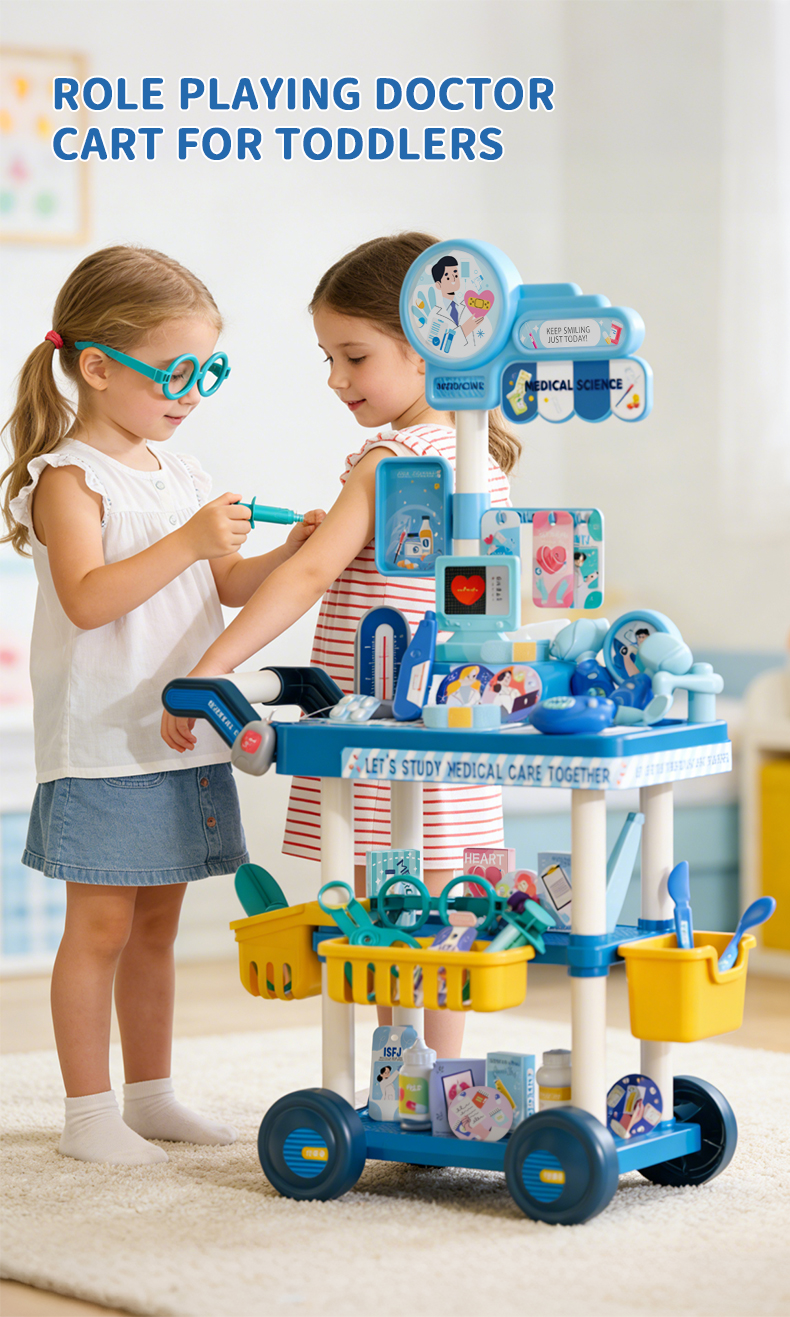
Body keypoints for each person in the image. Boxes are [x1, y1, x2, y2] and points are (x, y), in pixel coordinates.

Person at [1, 246, 323, 1165]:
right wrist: (187, 540)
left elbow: (225, 584)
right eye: (177, 372)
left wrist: (283, 549)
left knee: (157, 929)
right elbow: (89, 598)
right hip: (104, 744)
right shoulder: (69, 478)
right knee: (98, 928)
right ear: (97, 367)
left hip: (182, 737)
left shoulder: (181, 472)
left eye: (207, 372)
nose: (193, 392)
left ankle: (150, 1094)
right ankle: (87, 1113)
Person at [165, 232, 522, 1057]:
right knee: (450, 909)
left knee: (382, 915)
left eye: (353, 357)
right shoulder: (480, 459)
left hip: (380, 726)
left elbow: (310, 574)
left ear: (428, 344)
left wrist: (212, 664)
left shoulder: (390, 459)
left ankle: (399, 1067)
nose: (336, 380)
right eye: (328, 358)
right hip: (452, 720)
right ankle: (443, 1073)